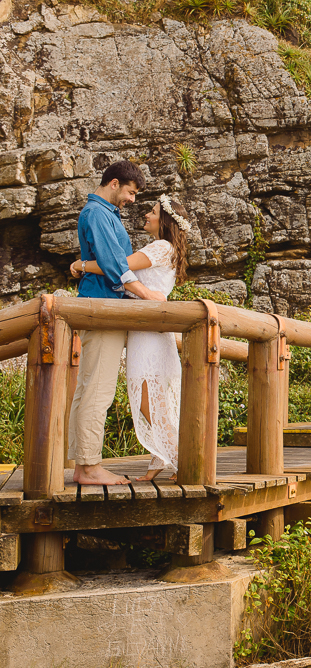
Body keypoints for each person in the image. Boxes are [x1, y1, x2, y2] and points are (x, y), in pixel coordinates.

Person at [71, 194, 191, 481]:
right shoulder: (166, 248)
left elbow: (118, 266)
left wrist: (82, 265)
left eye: (152, 211)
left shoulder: (160, 247)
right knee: (151, 398)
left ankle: (182, 460)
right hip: (145, 333)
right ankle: (161, 459)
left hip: (147, 336)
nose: (146, 215)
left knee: (148, 399)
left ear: (164, 221)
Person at [67, 161, 166, 486]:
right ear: (113, 183)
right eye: (131, 192)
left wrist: (81, 264)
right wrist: (145, 293)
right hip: (103, 308)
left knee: (88, 386)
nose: (133, 200)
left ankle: (81, 464)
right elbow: (113, 264)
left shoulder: (105, 214)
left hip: (99, 305)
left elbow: (110, 260)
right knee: (99, 389)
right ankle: (89, 466)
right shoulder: (96, 213)